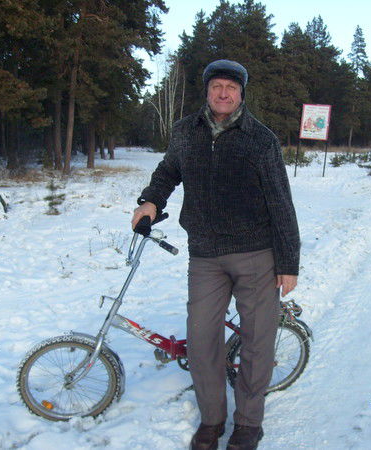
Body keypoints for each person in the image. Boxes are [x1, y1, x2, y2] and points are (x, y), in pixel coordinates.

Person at [132, 59, 300, 450]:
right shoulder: (185, 131)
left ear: (241, 93)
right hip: (205, 255)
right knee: (202, 338)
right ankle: (211, 420)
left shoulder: (261, 140)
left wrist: (288, 262)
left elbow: (281, 203)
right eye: (216, 86)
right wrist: (150, 203)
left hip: (256, 255)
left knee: (258, 343)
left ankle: (248, 425)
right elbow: (168, 171)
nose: (223, 93)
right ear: (206, 91)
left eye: (231, 87)